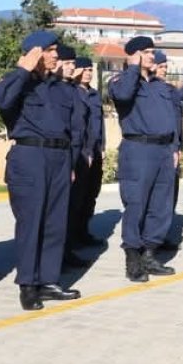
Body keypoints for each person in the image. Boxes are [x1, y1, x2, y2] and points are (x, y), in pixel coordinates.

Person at [0, 30, 85, 310]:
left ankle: (48, 281)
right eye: (50, 49)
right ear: (35, 53)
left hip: (59, 157)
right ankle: (28, 285)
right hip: (30, 155)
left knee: (56, 222)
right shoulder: (17, 82)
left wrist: (70, 162)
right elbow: (1, 101)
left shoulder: (61, 88)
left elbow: (72, 128)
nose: (56, 54)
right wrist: (23, 68)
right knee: (31, 223)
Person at [108, 37, 179, 282]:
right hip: (138, 150)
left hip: (163, 150)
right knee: (136, 204)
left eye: (152, 51)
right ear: (135, 55)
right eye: (147, 52)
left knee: (160, 205)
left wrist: (174, 147)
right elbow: (124, 95)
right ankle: (133, 258)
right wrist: (133, 68)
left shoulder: (159, 86)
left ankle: (150, 253)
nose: (153, 56)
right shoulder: (121, 81)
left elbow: (172, 119)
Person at [66, 57, 105, 259]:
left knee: (91, 194)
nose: (88, 73)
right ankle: (71, 238)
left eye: (91, 69)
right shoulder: (72, 92)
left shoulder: (94, 94)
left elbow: (100, 125)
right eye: (85, 69)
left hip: (95, 151)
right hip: (81, 152)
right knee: (76, 197)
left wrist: (102, 147)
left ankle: (83, 231)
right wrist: (86, 151)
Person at [152, 50, 183, 249]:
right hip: (157, 148)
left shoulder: (171, 91)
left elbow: (177, 121)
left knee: (169, 195)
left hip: (172, 147)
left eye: (166, 67)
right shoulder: (146, 90)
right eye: (161, 66)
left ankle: (161, 234)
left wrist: (178, 145)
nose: (164, 70)